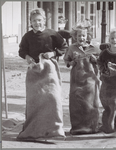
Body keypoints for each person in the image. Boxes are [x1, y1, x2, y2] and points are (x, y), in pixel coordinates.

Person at [17, 8, 68, 139]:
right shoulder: (27, 36)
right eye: (34, 20)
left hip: (49, 69)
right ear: (30, 22)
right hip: (34, 70)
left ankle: (55, 129)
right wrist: (27, 57)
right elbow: (22, 51)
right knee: (35, 100)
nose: (37, 23)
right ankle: (34, 130)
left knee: (52, 97)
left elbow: (64, 46)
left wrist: (54, 53)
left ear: (44, 20)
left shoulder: (52, 34)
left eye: (39, 20)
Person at [63, 22, 101, 135]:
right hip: (76, 80)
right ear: (75, 36)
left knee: (91, 101)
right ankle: (78, 127)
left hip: (90, 79)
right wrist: (71, 62)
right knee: (77, 102)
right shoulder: (71, 48)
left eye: (83, 35)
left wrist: (95, 59)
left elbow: (101, 61)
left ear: (88, 36)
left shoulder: (94, 48)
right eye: (79, 35)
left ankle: (92, 126)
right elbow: (66, 61)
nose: (81, 38)